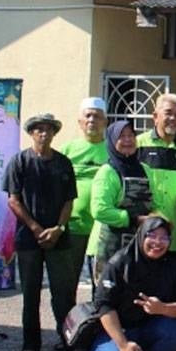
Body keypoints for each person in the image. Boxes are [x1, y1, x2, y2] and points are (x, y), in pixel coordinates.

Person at [3, 113, 78, 351]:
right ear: (31, 133)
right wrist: (36, 229)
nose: (43, 134)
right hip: (28, 239)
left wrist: (58, 228)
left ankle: (70, 341)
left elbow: (69, 201)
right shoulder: (19, 162)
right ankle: (30, 345)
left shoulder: (64, 163)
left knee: (63, 294)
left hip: (58, 238)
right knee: (30, 293)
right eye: (38, 130)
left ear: (55, 133)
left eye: (48, 130)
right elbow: (13, 200)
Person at [90, 216, 176, 351]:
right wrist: (123, 345)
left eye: (164, 238)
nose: (157, 243)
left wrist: (162, 309)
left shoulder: (172, 266)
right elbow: (104, 306)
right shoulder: (119, 262)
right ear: (141, 236)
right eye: (152, 236)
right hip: (116, 332)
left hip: (149, 328)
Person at [136, 94, 176, 261]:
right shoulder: (138, 145)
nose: (173, 118)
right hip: (146, 235)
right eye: (168, 112)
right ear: (155, 116)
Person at [90, 120, 154, 281]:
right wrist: (133, 219)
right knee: (109, 295)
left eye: (131, 135)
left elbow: (155, 200)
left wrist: (157, 218)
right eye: (121, 136)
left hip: (140, 244)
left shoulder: (145, 169)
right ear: (112, 141)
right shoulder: (108, 172)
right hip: (111, 246)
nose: (127, 140)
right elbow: (100, 210)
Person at [58, 97, 108, 288]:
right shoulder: (67, 150)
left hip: (102, 229)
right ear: (79, 122)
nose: (91, 120)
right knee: (67, 283)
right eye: (87, 116)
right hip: (74, 227)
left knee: (101, 283)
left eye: (97, 116)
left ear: (105, 121)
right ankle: (67, 318)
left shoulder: (112, 150)